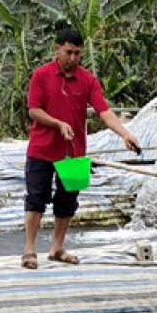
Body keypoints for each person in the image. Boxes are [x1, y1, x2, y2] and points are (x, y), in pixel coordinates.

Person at [23, 29, 140, 269]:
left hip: (75, 152)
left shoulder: (88, 80)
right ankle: (29, 250)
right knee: (36, 198)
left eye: (77, 53)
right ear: (57, 49)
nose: (73, 58)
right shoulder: (41, 75)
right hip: (41, 149)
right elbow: (34, 110)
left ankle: (57, 248)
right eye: (68, 52)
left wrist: (125, 134)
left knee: (67, 202)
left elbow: (104, 112)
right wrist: (58, 124)